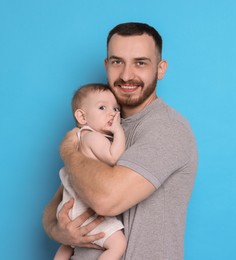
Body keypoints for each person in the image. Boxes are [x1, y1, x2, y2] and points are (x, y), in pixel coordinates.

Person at [43, 22, 198, 259]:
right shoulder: (101, 126)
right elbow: (57, 203)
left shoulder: (168, 128)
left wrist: (68, 149)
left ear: (160, 68)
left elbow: (107, 201)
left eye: (140, 62)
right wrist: (60, 231)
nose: (126, 75)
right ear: (106, 66)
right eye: (117, 62)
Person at [54, 83, 127, 260]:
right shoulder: (92, 137)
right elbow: (113, 157)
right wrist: (118, 130)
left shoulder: (78, 139)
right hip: (85, 208)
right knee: (118, 244)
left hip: (69, 206)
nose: (112, 113)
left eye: (116, 108)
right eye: (102, 107)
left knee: (69, 243)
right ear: (82, 116)